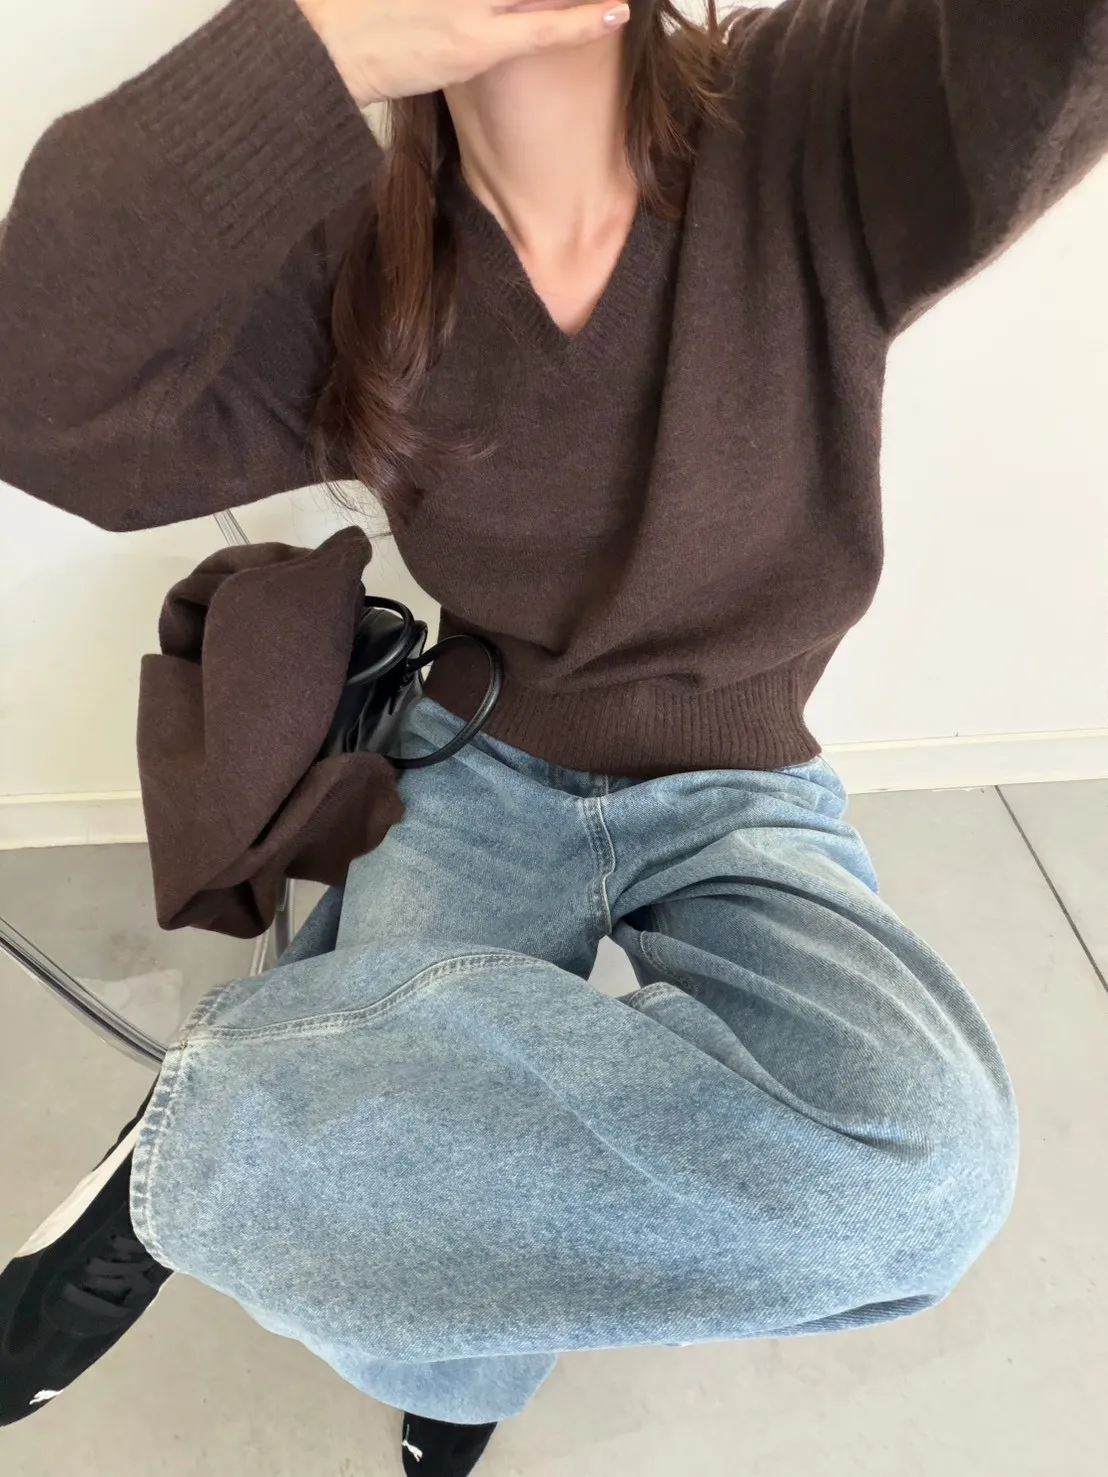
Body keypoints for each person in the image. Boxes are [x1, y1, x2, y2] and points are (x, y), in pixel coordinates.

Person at [0, 0, 1105, 1472]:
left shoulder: (811, 117)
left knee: (921, 1173)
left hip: (739, 782)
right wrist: (321, 50)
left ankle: (203, 1135)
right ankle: (446, 1392)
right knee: (416, 1232)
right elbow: (36, 391)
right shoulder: (363, 268)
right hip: (478, 765)